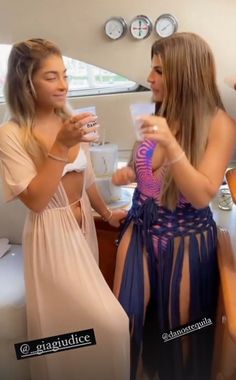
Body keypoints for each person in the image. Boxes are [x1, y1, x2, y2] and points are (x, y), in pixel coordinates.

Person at [0, 38, 130, 380]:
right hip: (51, 237)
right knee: (113, 324)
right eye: (51, 77)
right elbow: (37, 200)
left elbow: (85, 179)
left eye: (65, 75)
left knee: (79, 326)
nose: (63, 85)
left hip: (83, 227)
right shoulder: (11, 134)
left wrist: (105, 213)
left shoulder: (70, 118)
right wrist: (61, 145)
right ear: (25, 82)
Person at [112, 32, 236, 380]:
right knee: (128, 323)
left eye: (159, 71)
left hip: (184, 239)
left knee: (177, 335)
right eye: (151, 70)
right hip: (140, 227)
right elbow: (148, 174)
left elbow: (201, 194)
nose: (149, 78)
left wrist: (172, 144)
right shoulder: (156, 113)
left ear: (185, 73)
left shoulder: (220, 124)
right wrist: (126, 175)